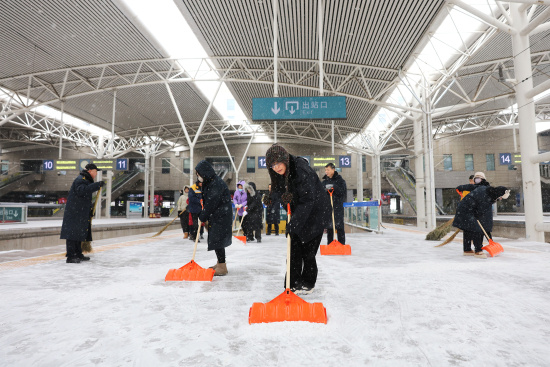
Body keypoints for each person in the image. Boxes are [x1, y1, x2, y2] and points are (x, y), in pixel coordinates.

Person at [266, 144, 331, 294]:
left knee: (308, 252)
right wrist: (273, 198)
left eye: (277, 163)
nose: (276, 168)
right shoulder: (280, 173)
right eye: (272, 165)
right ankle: (292, 284)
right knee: (294, 250)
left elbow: (308, 200)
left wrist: (294, 223)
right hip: (299, 213)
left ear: (284, 159)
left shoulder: (301, 171)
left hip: (316, 214)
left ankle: (308, 283)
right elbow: (278, 190)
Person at [453, 171, 509, 258]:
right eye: (499, 197)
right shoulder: (485, 194)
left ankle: (467, 250)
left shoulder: (487, 191)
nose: (498, 199)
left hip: (465, 209)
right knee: (477, 229)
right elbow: (480, 210)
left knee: (469, 229)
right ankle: (478, 251)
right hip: (466, 210)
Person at [60, 163, 104, 263]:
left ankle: (78, 254)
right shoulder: (81, 180)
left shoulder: (85, 180)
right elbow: (82, 191)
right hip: (74, 213)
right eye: (95, 171)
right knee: (72, 235)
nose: (96, 173)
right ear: (90, 171)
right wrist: (96, 185)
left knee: (79, 234)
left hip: (79, 213)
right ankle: (71, 256)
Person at [195, 160, 232, 276]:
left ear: (204, 173)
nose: (198, 176)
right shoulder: (210, 182)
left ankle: (222, 266)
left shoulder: (216, 183)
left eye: (198, 174)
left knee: (218, 239)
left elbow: (211, 202)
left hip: (221, 216)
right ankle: (220, 263)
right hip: (218, 215)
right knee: (216, 239)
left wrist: (203, 216)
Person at [322, 163, 347, 245]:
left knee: (339, 227)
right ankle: (330, 245)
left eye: (328, 170)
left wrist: (334, 187)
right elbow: (320, 194)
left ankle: (341, 244)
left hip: (337, 208)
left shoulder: (340, 181)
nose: (326, 171)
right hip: (328, 208)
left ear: (333, 169)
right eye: (325, 170)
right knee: (329, 228)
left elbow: (343, 192)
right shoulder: (324, 182)